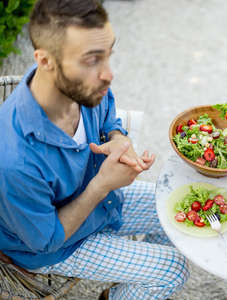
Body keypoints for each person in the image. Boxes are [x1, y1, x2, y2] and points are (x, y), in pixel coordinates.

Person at [0, 1, 188, 299]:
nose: (108, 75)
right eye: (91, 60)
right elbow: (46, 240)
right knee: (172, 269)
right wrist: (102, 185)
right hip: (56, 244)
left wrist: (116, 136)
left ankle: (131, 286)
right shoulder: (13, 159)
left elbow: (108, 112)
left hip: (101, 204)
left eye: (108, 55)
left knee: (179, 206)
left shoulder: (81, 87)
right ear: (45, 60)